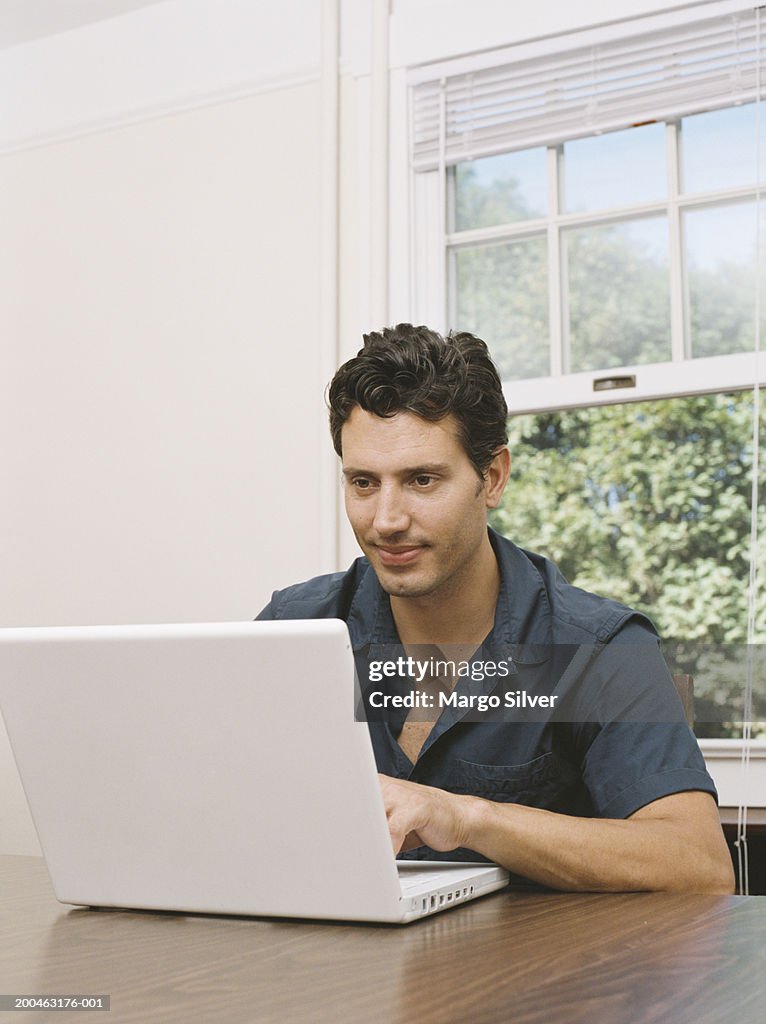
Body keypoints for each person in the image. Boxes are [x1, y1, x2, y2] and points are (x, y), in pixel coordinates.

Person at [257, 324, 735, 893]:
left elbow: (700, 868)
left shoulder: (603, 647)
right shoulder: (292, 628)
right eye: (363, 482)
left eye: (422, 480)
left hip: (535, 978)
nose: (385, 519)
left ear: (493, 477)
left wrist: (467, 816)